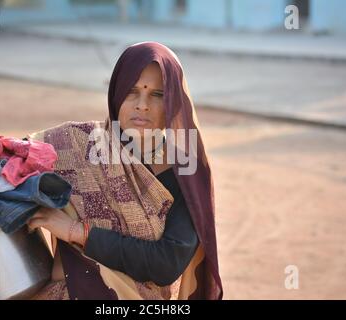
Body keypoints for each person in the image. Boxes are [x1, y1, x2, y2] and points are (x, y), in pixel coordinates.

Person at [27, 42, 223, 300]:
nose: (142, 105)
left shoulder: (186, 172)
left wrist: (77, 232)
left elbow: (166, 263)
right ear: (116, 94)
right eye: (132, 91)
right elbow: (8, 160)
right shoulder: (74, 146)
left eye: (157, 94)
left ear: (174, 103)